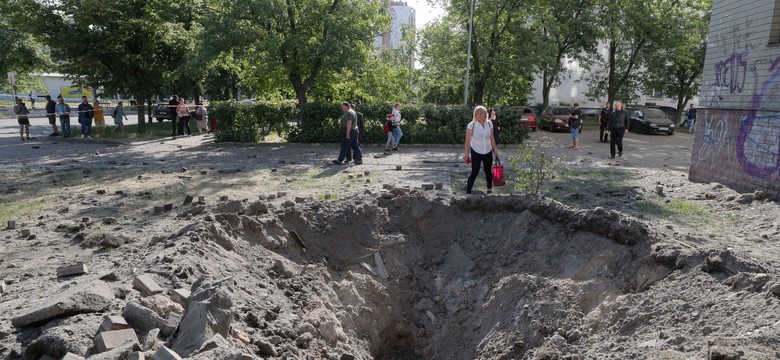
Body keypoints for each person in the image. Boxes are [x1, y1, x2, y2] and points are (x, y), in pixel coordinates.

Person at [463, 106, 500, 194]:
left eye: (481, 113)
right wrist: (466, 154)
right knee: (475, 171)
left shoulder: (489, 123)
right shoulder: (471, 125)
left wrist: (495, 150)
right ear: (474, 115)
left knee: (488, 172)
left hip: (487, 150)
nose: (479, 115)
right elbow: (467, 141)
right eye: (477, 113)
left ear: (485, 114)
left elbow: (492, 138)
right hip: (476, 150)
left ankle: (489, 190)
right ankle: (468, 193)